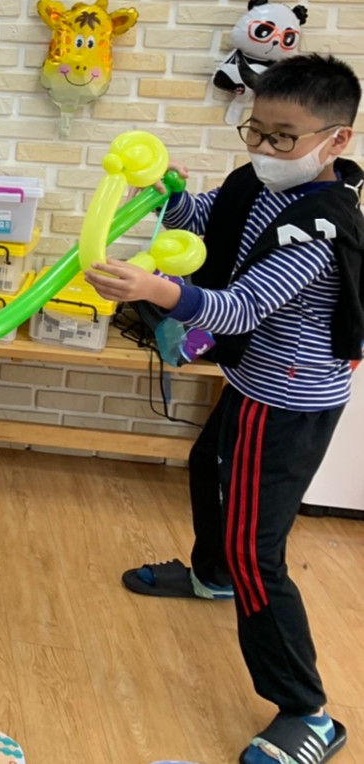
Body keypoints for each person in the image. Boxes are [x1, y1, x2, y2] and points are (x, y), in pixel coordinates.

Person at [90, 53, 362, 764]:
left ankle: (307, 710)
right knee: (208, 461)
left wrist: (152, 289)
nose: (265, 148)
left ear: (337, 139)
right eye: (257, 131)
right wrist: (168, 191)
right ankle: (211, 577)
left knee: (255, 550)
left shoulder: (322, 226)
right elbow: (208, 218)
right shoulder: (257, 182)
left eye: (284, 138)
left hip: (289, 400)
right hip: (255, 377)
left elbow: (241, 307)